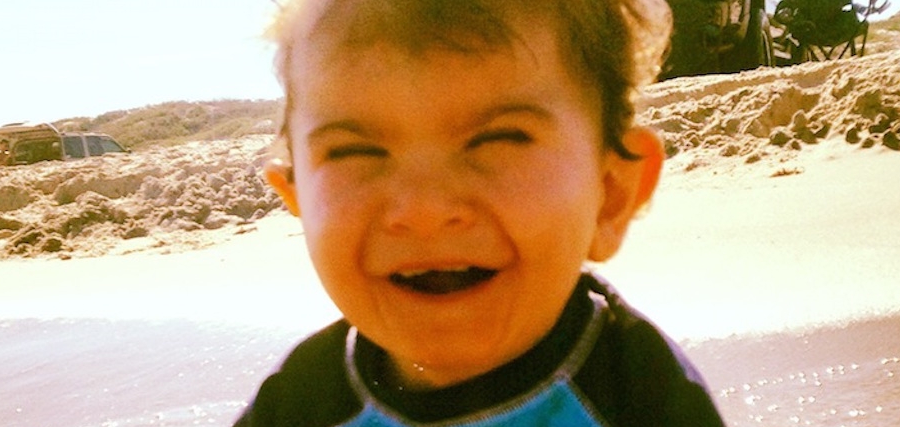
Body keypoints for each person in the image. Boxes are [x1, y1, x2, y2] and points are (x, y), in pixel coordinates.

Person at [237, 0, 726, 425]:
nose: (423, 210)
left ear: (611, 195)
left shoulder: (640, 398)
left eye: (499, 139)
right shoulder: (301, 402)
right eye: (353, 152)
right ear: (296, 197)